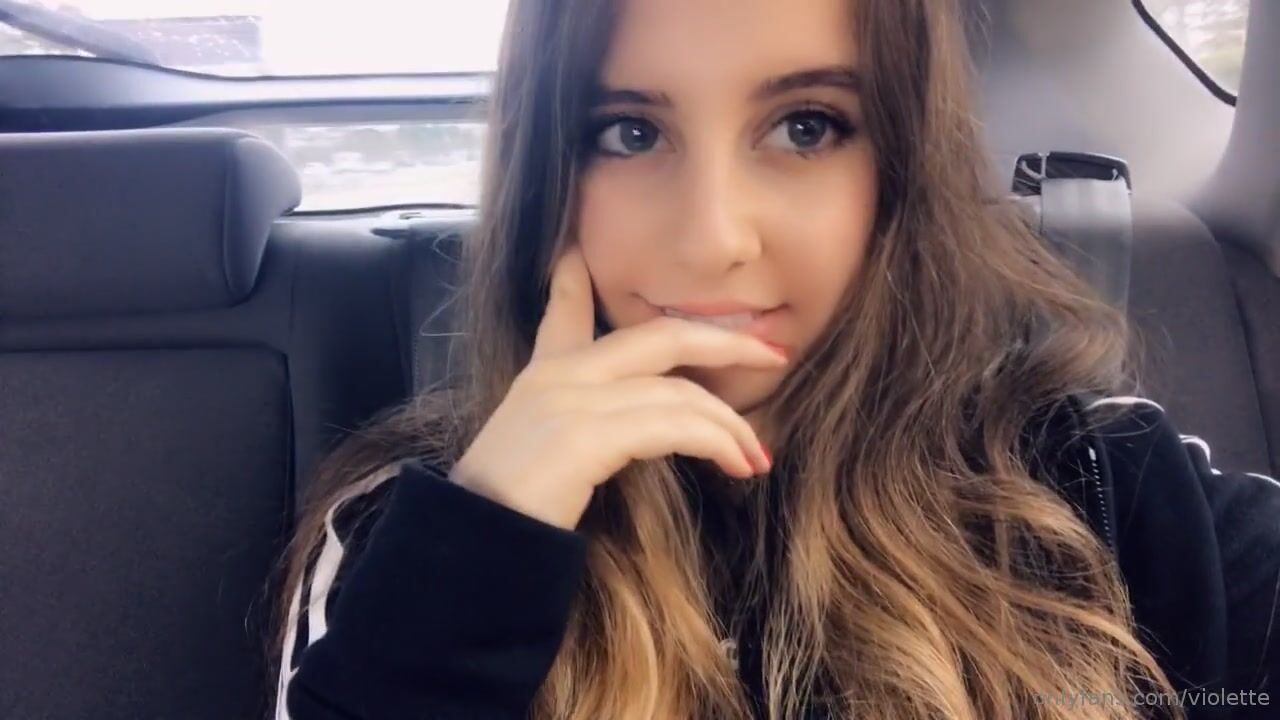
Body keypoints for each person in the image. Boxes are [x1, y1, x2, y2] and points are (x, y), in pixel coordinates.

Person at [270, 0, 1280, 718]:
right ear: (549, 175)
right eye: (628, 132)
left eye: (805, 127)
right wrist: (485, 546)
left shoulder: (1098, 485)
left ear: (900, 168)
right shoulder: (408, 536)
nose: (712, 239)